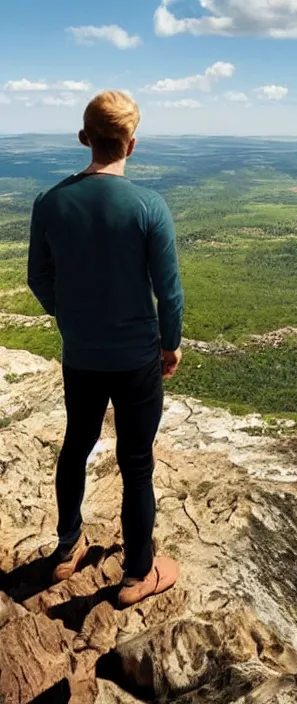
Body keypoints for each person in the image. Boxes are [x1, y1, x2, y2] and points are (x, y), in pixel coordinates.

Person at [27, 91, 184, 607]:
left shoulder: (50, 203)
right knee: (136, 462)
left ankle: (68, 548)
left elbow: (39, 278)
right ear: (131, 145)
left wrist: (71, 320)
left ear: (84, 138)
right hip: (138, 357)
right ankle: (137, 574)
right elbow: (170, 290)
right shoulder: (147, 206)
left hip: (82, 355)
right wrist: (171, 344)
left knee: (77, 443)